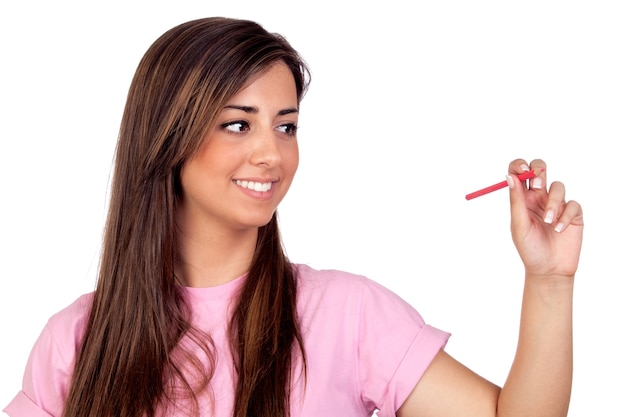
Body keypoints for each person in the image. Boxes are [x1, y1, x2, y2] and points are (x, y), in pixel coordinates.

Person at [3, 17, 583, 417]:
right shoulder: (77, 340)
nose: (272, 154)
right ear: (167, 137)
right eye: (238, 123)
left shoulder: (346, 314)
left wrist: (550, 280)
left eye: (286, 126)